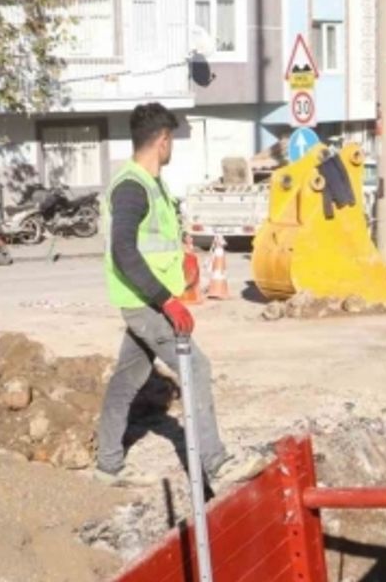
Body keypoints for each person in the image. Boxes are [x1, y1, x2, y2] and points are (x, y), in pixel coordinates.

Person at [95, 103, 259, 487]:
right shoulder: (133, 187)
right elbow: (124, 250)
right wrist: (165, 300)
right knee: (196, 368)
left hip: (145, 298)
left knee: (126, 380)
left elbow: (154, 241)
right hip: (145, 303)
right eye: (172, 142)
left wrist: (181, 258)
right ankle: (215, 463)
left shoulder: (151, 184)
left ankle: (107, 465)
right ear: (163, 141)